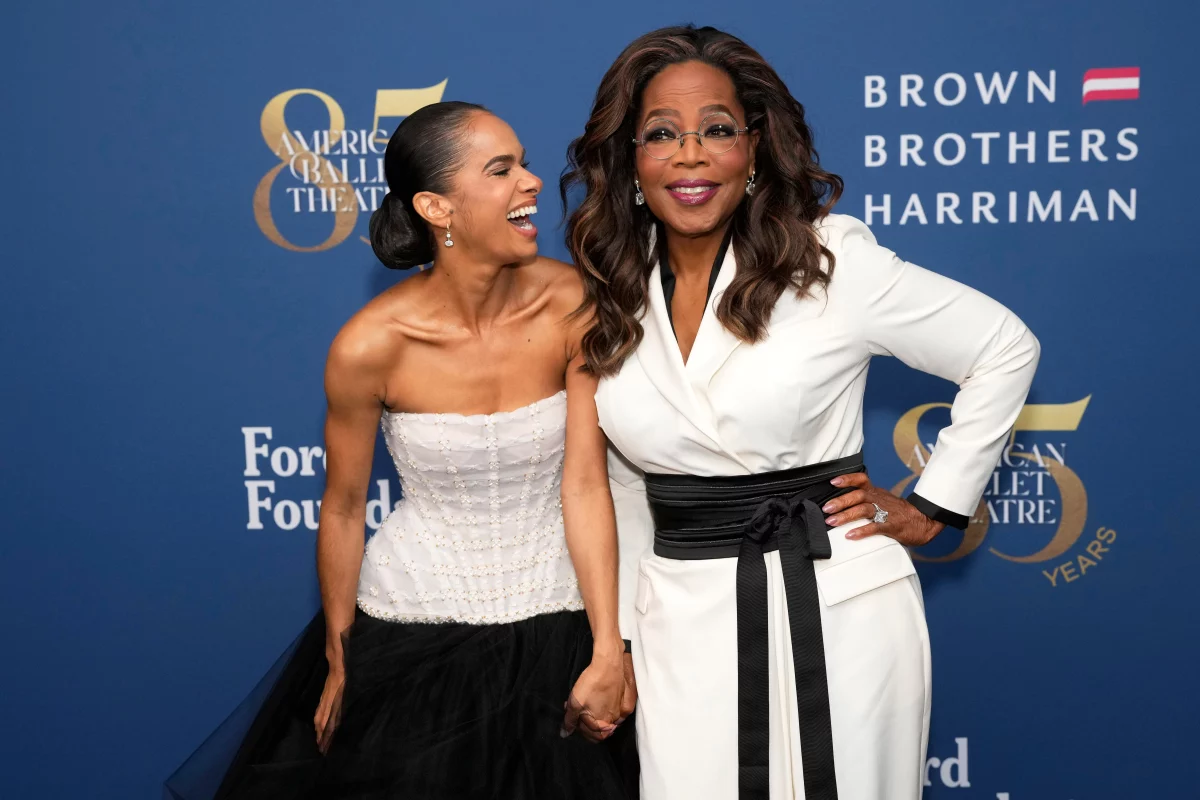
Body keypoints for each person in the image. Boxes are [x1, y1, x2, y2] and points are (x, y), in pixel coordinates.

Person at [561, 25, 1040, 800]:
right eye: (661, 134)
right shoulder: (611, 294)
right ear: (629, 159)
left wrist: (932, 507)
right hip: (678, 626)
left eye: (717, 129)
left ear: (753, 151)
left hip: (840, 605)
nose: (690, 154)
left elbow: (1003, 346)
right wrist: (612, 641)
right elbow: (620, 487)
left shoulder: (828, 261)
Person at [167, 101, 636, 800]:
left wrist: (608, 647)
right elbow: (346, 507)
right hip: (413, 634)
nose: (534, 182)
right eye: (502, 169)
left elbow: (585, 486)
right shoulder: (369, 345)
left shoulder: (572, 301)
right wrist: (337, 649)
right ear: (436, 207)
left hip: (561, 619)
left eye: (525, 163)